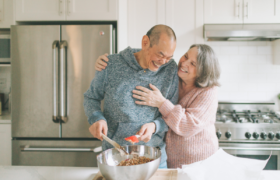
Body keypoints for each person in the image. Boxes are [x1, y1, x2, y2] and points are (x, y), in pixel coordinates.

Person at [95, 44, 221, 168]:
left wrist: (161, 103)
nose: (184, 63)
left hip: (199, 163)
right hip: (171, 160)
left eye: (193, 64)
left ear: (203, 72)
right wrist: (111, 61)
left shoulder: (208, 92)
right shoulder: (174, 76)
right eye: (186, 56)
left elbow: (187, 126)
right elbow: (148, 55)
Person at [84, 25, 179, 169]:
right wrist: (96, 118)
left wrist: (155, 126)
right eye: (160, 55)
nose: (163, 62)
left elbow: (172, 114)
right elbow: (91, 97)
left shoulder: (170, 70)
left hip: (155, 160)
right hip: (115, 158)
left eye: (169, 57)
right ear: (145, 42)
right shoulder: (111, 64)